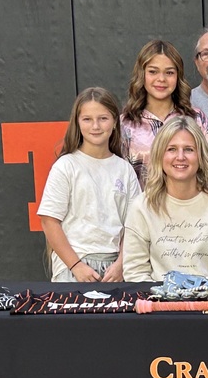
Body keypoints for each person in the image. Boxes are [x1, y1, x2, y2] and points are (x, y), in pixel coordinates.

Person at [37, 87, 140, 282]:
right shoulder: (66, 166)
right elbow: (49, 221)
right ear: (77, 122)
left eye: (103, 118)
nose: (96, 126)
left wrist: (121, 264)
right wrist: (76, 266)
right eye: (87, 119)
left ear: (115, 121)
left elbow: (134, 225)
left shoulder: (124, 170)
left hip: (115, 269)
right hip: (75, 265)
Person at [123, 116, 208, 282]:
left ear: (200, 156)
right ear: (160, 155)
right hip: (160, 303)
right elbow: (135, 271)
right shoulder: (142, 206)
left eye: (188, 149)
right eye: (171, 149)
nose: (180, 157)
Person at [121, 40, 208, 186]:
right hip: (142, 207)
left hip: (187, 206)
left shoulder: (196, 118)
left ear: (178, 76)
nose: (161, 79)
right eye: (153, 71)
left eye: (169, 72)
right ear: (142, 74)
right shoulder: (125, 124)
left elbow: (206, 171)